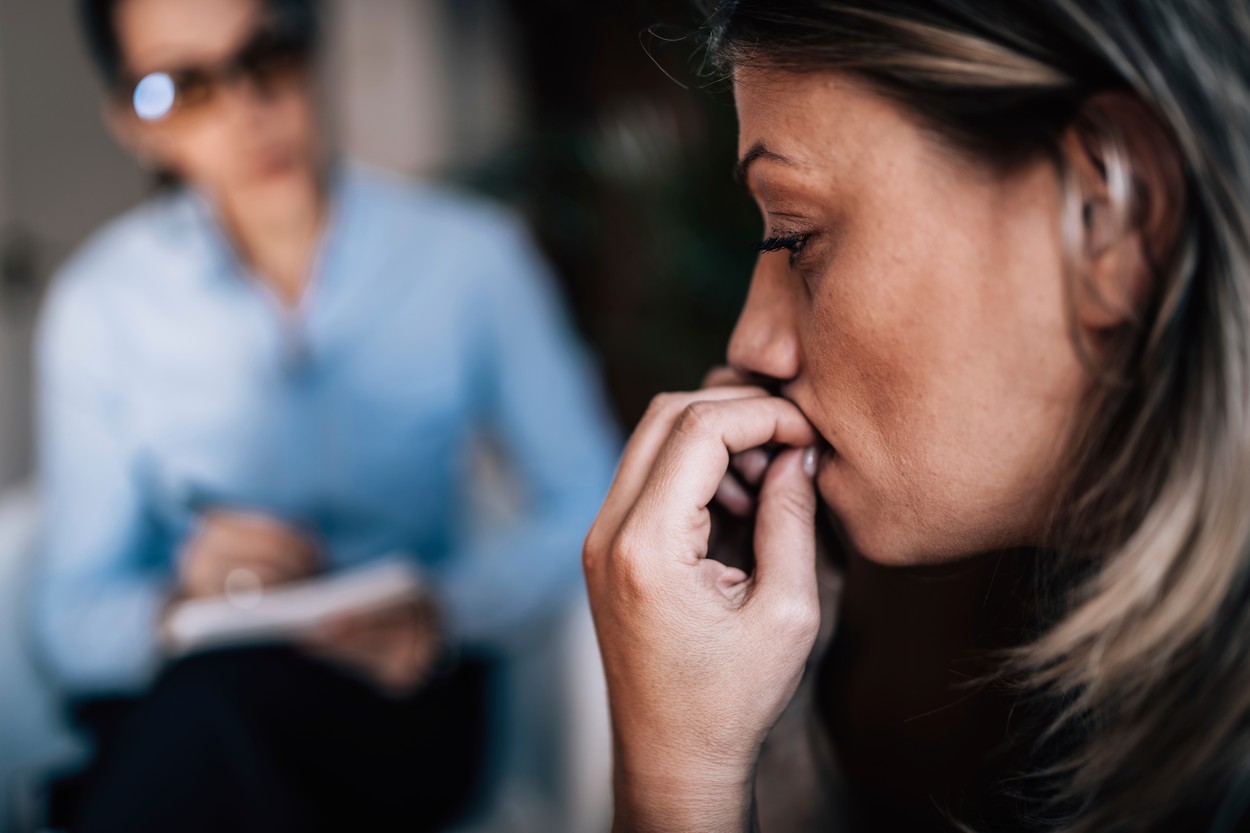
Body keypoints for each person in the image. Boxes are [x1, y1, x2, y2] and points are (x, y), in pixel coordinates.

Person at [583, 1, 1250, 831]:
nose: (752, 344)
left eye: (796, 235)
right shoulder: (1123, 699)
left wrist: (673, 790)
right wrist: (756, 744)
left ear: (1111, 209)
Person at [30, 0, 619, 830]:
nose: (247, 108)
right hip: (194, 696)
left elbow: (591, 503)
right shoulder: (101, 305)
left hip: (397, 702)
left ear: (310, 45)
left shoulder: (470, 258)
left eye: (266, 54)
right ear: (134, 122)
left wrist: (446, 608)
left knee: (198, 735)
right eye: (180, 86)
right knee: (211, 711)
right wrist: (182, 600)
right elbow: (67, 620)